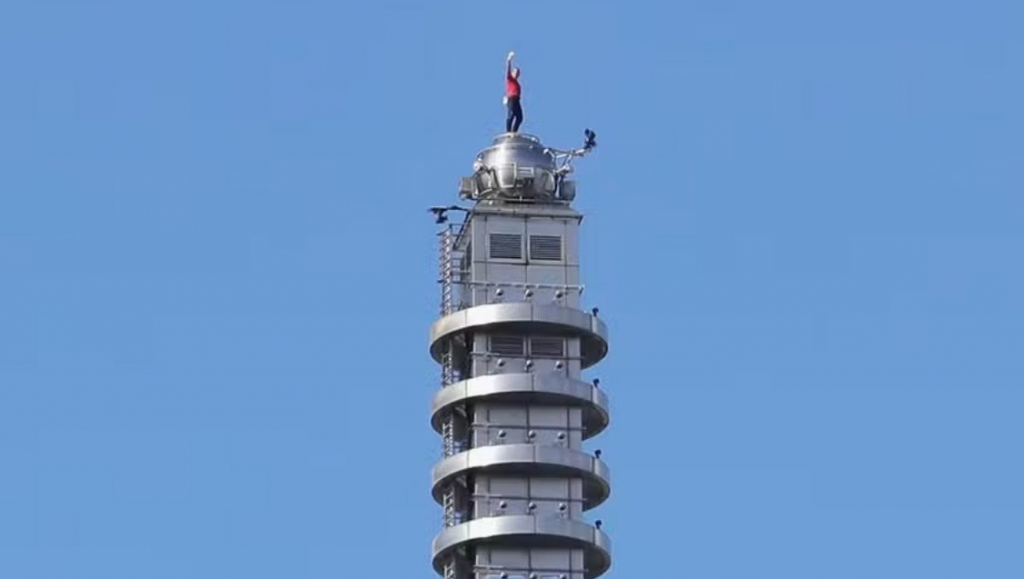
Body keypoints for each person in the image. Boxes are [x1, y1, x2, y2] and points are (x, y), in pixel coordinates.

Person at [504, 51, 523, 133]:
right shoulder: (510, 79)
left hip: (516, 99)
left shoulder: (516, 83)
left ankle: (513, 132)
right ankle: (508, 132)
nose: (517, 74)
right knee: (511, 115)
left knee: (520, 117)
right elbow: (507, 71)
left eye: (518, 73)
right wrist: (509, 60)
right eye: (515, 72)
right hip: (511, 98)